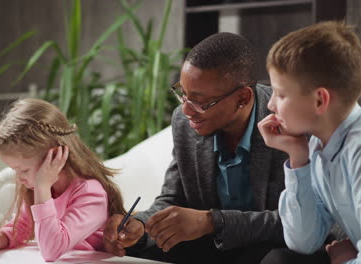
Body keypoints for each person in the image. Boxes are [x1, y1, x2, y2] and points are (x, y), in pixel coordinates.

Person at [103, 32, 292, 264]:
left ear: (243, 98)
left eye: (200, 101)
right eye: (183, 94)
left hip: (271, 246)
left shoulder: (288, 122)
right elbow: (173, 198)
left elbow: (297, 222)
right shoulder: (184, 123)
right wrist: (140, 225)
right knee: (134, 250)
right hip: (213, 246)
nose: (186, 111)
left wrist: (211, 221)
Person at [258, 21, 361, 264]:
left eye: (280, 94)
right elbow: (303, 242)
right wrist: (298, 159)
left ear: (319, 101)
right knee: (278, 260)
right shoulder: (317, 145)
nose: (271, 105)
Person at [0, 98, 126, 262]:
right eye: (15, 170)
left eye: (24, 170)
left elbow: (52, 250)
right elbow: (23, 225)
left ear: (54, 157)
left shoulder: (90, 194)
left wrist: (42, 188)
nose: (18, 178)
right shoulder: (42, 190)